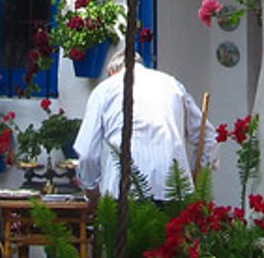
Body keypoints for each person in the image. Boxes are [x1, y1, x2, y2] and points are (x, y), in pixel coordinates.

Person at [73, 54, 203, 201]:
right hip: (174, 190)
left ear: (111, 73)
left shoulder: (105, 89)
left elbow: (88, 154)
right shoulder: (172, 85)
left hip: (122, 191)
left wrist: (91, 190)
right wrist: (194, 177)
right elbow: (208, 138)